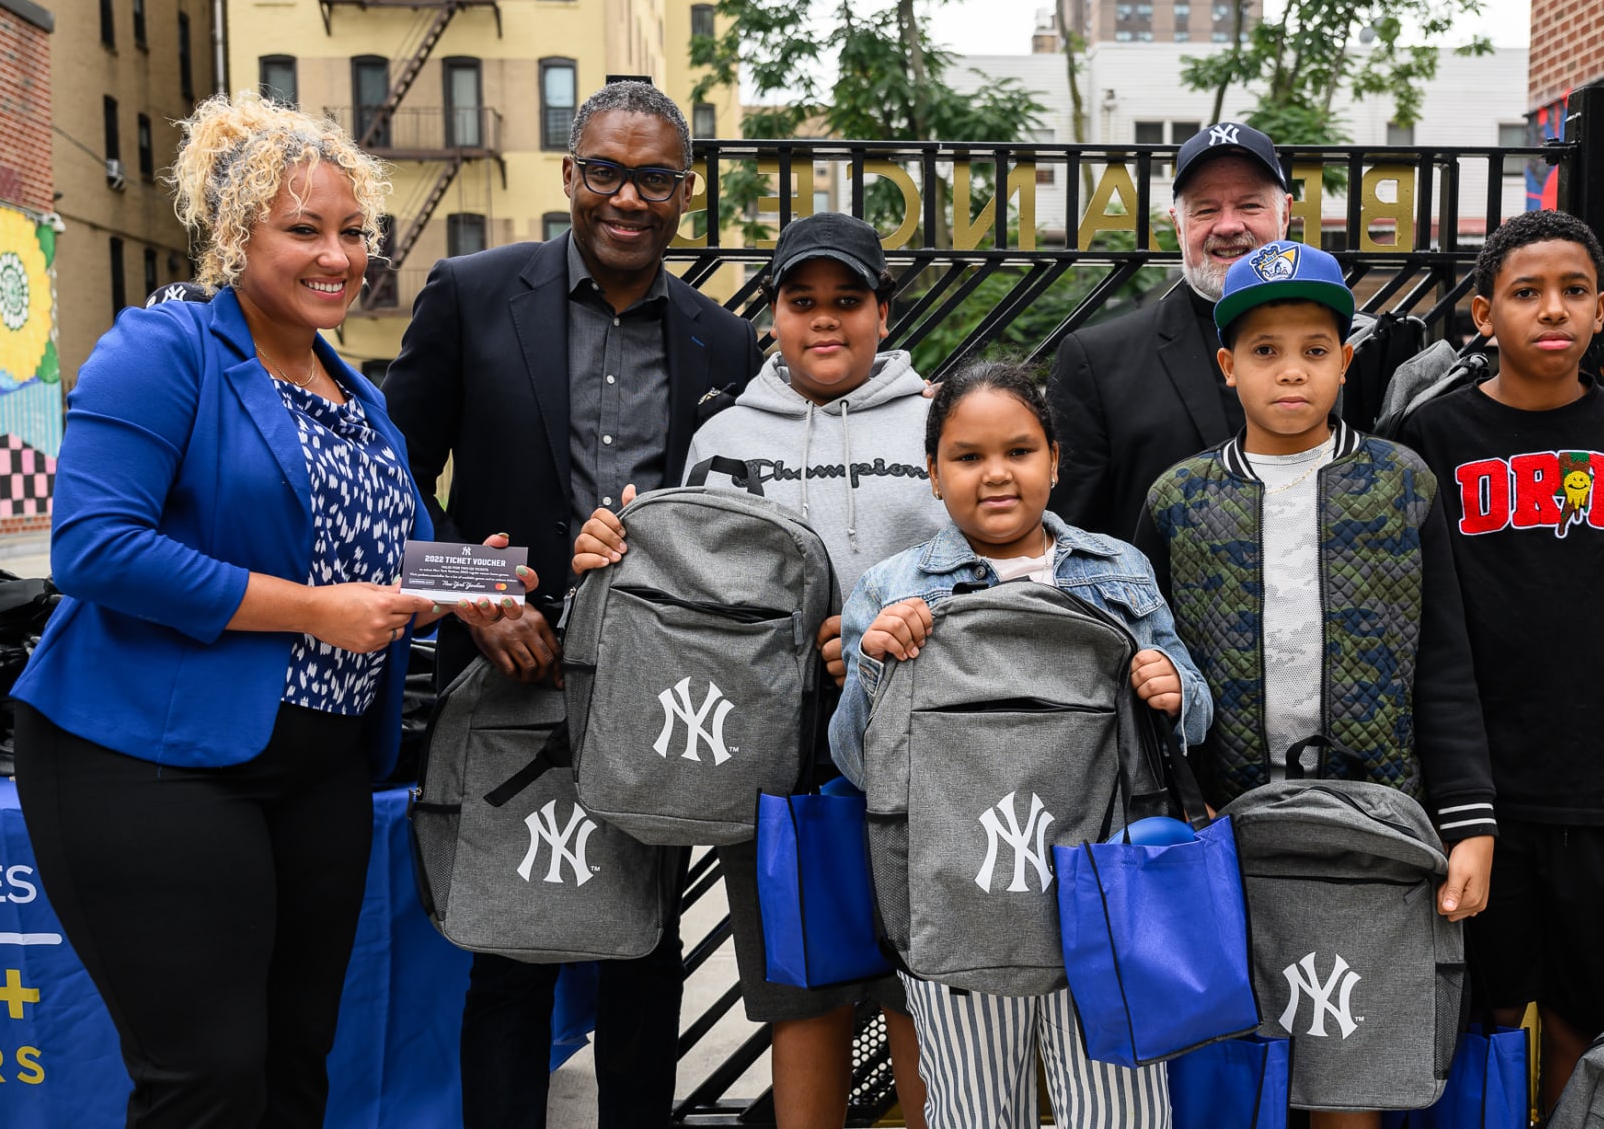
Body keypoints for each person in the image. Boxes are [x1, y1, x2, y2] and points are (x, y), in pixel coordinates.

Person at [10, 93, 526, 1127]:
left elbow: (367, 563)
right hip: (149, 757)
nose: (338, 256)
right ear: (234, 235)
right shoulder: (162, 352)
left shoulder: (357, 394)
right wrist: (311, 612)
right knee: (207, 1078)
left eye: (351, 231)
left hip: (320, 765)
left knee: (296, 1070)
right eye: (304, 230)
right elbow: (94, 547)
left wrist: (469, 585)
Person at [384, 79, 762, 1129]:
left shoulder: (723, 345)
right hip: (501, 679)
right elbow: (386, 481)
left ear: (686, 193)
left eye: (654, 177)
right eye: (606, 170)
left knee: (644, 944)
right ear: (569, 176)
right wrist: (472, 595)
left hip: (653, 691)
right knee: (510, 951)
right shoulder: (469, 292)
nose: (627, 198)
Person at [573, 211, 939, 1129]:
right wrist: (616, 543)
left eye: (847, 301)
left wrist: (873, 633)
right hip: (769, 767)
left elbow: (982, 568)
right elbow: (689, 596)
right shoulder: (722, 434)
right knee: (800, 991)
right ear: (771, 314)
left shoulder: (939, 422)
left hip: (915, 762)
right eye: (802, 301)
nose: (826, 321)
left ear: (882, 314)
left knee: (920, 993)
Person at [1134, 239, 1495, 1126]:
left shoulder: (1401, 484)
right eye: (1264, 351)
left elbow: (1444, 665)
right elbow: (1148, 678)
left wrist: (1470, 825)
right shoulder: (1179, 500)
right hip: (1231, 831)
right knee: (1238, 1068)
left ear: (1346, 359)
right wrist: (1181, 809)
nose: (1290, 372)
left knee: (1354, 1071)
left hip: (1376, 837)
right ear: (1227, 366)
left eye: (1314, 350)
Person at [828, 361, 1210, 1128]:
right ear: (933, 476)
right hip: (953, 899)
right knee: (971, 1110)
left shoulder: (1118, 572)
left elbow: (1189, 721)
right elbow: (858, 763)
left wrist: (1173, 686)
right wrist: (875, 665)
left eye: (1020, 451)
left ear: (1056, 460)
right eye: (968, 457)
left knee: (1120, 1110)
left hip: (1102, 898)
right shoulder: (893, 588)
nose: (995, 475)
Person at [1397, 209, 1604, 1112]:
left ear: (1603, 309)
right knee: (1485, 1013)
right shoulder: (1435, 440)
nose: (1553, 310)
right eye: (1527, 293)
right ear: (1483, 317)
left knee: (1589, 1015)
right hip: (1480, 789)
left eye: (1574, 291)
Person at [1045, 121, 1292, 536]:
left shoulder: (1357, 348)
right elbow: (1067, 538)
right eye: (1206, 209)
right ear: (1178, 225)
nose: (1228, 226)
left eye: (1250, 206)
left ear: (1286, 214)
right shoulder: (1098, 362)